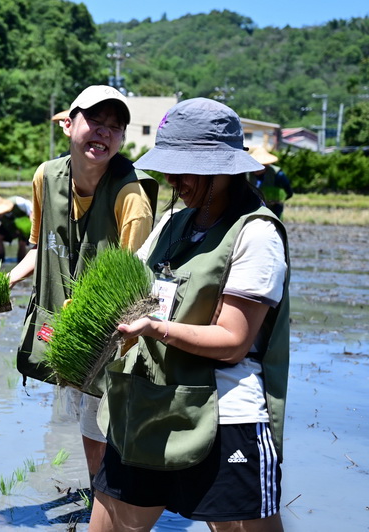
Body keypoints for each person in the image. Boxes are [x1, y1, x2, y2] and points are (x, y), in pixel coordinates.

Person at [89, 98, 290, 531]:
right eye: (168, 165)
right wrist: (90, 318)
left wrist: (156, 328)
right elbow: (134, 289)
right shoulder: (171, 224)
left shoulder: (256, 234)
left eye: (185, 167)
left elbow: (233, 341)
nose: (171, 178)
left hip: (226, 416)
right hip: (148, 401)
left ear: (224, 168)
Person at [8, 85, 158, 490]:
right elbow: (42, 248)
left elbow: (137, 282)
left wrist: (90, 309)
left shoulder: (132, 195)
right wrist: (5, 281)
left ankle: (121, 501)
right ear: (68, 124)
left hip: (119, 330)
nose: (104, 133)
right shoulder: (46, 177)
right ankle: (100, 495)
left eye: (115, 127)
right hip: (69, 328)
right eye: (95, 121)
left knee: (112, 417)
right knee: (87, 414)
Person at [248, 145, 293, 219]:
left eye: (259, 166)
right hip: (252, 207)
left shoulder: (278, 174)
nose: (255, 169)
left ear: (266, 165)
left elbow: (289, 193)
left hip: (274, 209)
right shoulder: (246, 174)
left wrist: (278, 200)